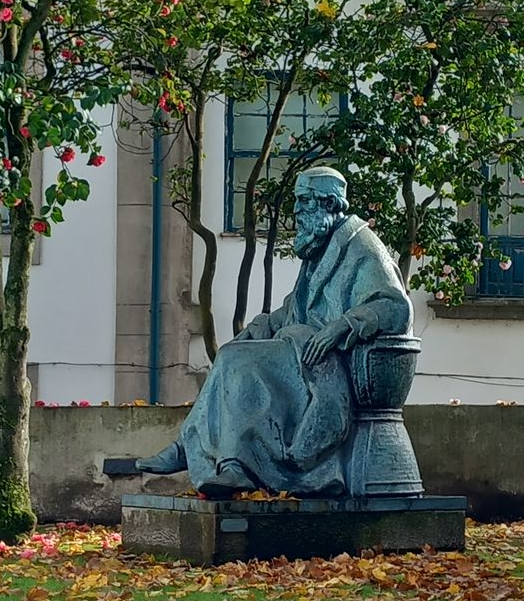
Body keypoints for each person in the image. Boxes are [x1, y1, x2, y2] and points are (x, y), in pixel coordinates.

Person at [136, 166, 412, 497]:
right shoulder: (320, 248)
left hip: (328, 360)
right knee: (230, 354)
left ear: (327, 204)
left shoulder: (362, 247)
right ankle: (211, 454)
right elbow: (291, 312)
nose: (295, 211)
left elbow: (395, 306)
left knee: (240, 363)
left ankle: (228, 462)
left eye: (303, 201)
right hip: (301, 348)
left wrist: (342, 326)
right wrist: (256, 329)